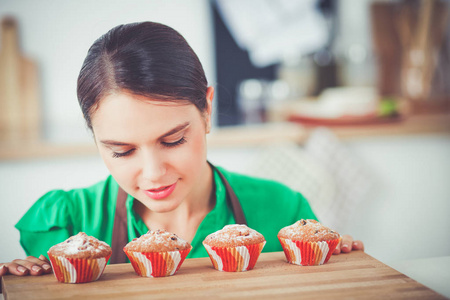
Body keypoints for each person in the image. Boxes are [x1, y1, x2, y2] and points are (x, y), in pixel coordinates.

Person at [0, 21, 363, 277]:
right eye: (122, 151)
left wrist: (341, 269)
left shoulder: (283, 210)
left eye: (173, 140)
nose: (154, 173)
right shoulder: (64, 223)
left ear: (206, 111)